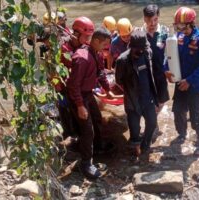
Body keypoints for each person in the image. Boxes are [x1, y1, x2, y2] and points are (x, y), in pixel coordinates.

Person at [164, 7, 199, 156]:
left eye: (181, 26)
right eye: (177, 26)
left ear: (191, 24)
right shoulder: (178, 38)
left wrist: (189, 81)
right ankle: (182, 134)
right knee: (178, 111)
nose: (179, 29)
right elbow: (169, 56)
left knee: (196, 116)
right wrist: (167, 70)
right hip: (180, 81)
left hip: (194, 84)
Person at [66, 27, 112, 178]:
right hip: (78, 96)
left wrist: (107, 89)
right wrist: (79, 106)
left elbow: (100, 72)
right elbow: (73, 86)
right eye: (104, 44)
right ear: (96, 41)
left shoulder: (96, 53)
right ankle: (86, 164)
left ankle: (97, 148)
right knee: (87, 129)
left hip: (88, 93)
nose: (105, 48)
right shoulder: (82, 57)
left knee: (97, 119)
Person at [115, 30, 158, 159]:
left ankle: (146, 144)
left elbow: (151, 74)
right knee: (134, 129)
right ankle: (135, 150)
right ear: (131, 46)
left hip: (147, 98)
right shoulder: (122, 60)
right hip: (132, 101)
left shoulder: (147, 53)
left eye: (142, 49)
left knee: (152, 123)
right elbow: (118, 80)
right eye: (137, 50)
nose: (140, 52)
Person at [56, 16, 95, 139]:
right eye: (86, 36)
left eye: (90, 37)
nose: (88, 40)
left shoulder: (83, 45)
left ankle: (76, 134)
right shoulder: (63, 49)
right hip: (63, 86)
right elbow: (55, 71)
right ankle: (68, 134)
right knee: (65, 112)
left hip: (74, 85)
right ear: (76, 34)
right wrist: (58, 89)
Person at [142, 4, 170, 114]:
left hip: (161, 72)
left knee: (162, 100)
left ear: (158, 17)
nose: (152, 23)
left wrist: (169, 70)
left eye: (155, 19)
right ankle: (152, 123)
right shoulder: (140, 33)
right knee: (147, 100)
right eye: (149, 20)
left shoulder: (164, 32)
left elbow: (170, 53)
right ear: (144, 18)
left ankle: (154, 118)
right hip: (145, 73)